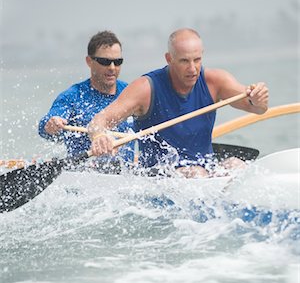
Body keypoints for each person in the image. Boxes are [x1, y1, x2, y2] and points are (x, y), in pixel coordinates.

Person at [88, 28, 269, 177]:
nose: (192, 69)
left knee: (237, 165)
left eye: (197, 60)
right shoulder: (146, 88)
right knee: (197, 174)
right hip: (158, 175)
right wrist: (99, 137)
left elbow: (257, 108)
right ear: (169, 58)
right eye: (184, 61)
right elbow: (99, 121)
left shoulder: (216, 81)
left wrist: (258, 99)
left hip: (203, 170)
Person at [38, 30, 134, 167]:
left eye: (117, 62)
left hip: (126, 177)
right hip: (83, 177)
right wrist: (52, 124)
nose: (112, 68)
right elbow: (45, 127)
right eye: (105, 61)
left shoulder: (130, 93)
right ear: (89, 61)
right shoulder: (73, 96)